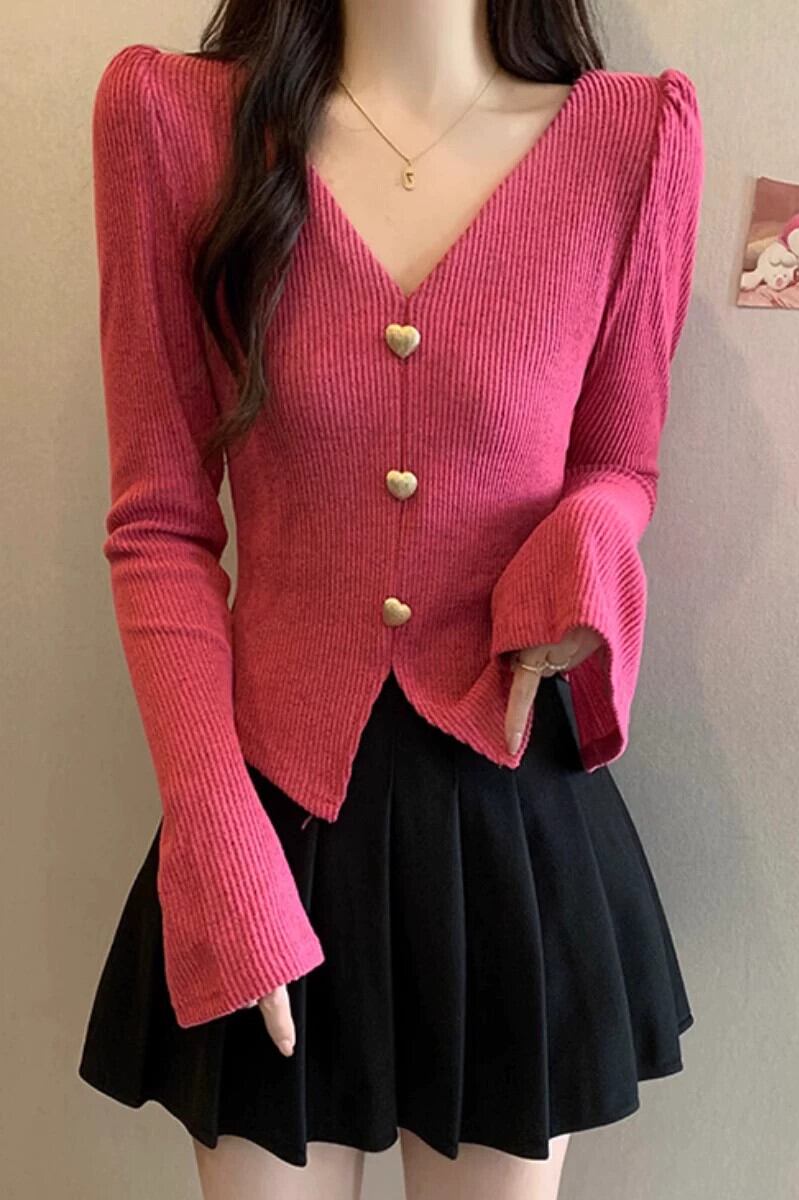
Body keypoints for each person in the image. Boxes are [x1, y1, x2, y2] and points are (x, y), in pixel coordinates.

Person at [77, 1, 705, 1197]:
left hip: (509, 824)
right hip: (266, 818)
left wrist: (580, 554)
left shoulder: (632, 141)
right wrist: (216, 837)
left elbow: (619, 465)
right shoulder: (171, 124)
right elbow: (159, 526)